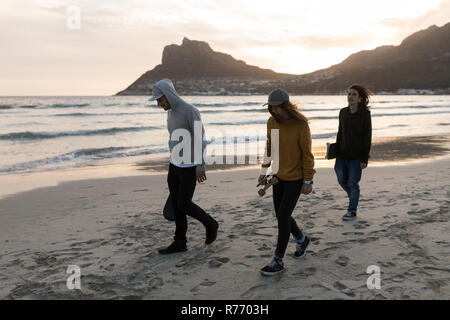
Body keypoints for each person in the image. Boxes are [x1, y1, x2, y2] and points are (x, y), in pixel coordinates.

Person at [149, 79, 219, 254]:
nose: (159, 104)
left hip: (189, 166)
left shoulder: (190, 111)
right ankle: (180, 242)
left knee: (184, 204)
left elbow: (200, 138)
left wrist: (200, 165)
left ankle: (211, 224)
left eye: (160, 99)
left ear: (168, 95)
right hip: (174, 165)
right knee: (175, 203)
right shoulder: (170, 112)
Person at [257, 88, 315, 276]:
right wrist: (264, 171)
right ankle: (301, 238)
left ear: (285, 106)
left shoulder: (300, 125)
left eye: (276, 108)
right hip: (277, 177)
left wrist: (308, 180)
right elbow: (270, 147)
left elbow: (307, 155)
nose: (273, 111)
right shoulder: (272, 122)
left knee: (282, 217)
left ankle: (278, 260)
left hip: (296, 179)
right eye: (270, 108)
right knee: (282, 215)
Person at [334, 84, 372, 221]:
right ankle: (353, 197)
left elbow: (367, 137)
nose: (350, 97)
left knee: (353, 183)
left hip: (356, 157)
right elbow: (340, 132)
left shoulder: (365, 115)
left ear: (360, 98)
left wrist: (365, 158)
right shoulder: (343, 112)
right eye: (349, 94)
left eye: (354, 94)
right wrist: (335, 150)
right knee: (341, 179)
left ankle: (352, 210)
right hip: (341, 154)